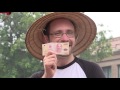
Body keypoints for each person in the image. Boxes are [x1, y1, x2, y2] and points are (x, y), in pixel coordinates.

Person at [25, 12, 105, 78]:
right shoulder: (39, 76)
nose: (65, 39)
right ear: (46, 39)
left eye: (69, 33)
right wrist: (47, 76)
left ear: (75, 37)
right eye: (58, 33)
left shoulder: (91, 70)